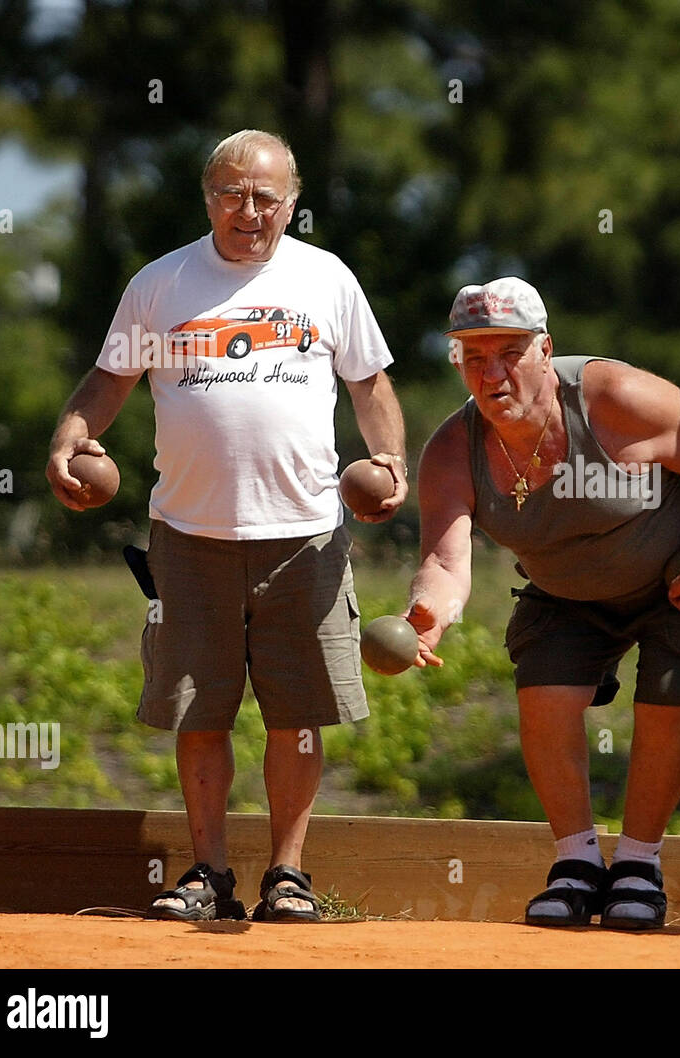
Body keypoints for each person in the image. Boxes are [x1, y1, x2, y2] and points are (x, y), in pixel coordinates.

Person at [45, 129, 408, 922]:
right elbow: (110, 380)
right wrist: (71, 436)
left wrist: (390, 462)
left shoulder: (327, 279)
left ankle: (289, 876)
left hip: (304, 533)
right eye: (231, 194)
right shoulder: (161, 283)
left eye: (265, 197)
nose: (248, 212)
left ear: (292, 201)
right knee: (197, 710)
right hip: (189, 533)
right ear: (209, 198)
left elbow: (371, 385)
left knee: (299, 714)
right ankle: (208, 873)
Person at [402, 277, 680, 930]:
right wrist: (427, 613)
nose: (491, 371)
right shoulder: (453, 452)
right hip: (566, 589)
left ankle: (640, 865)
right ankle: (578, 864)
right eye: (473, 357)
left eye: (508, 351)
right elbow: (445, 563)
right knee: (544, 693)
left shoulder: (615, 398)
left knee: (666, 695)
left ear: (545, 350)